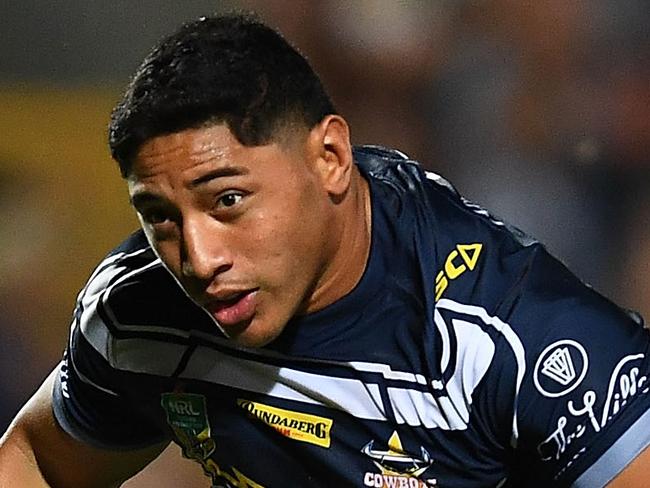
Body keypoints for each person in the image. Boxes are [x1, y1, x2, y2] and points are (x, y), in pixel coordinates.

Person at [0, 13, 649, 488]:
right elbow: (35, 461)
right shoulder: (136, 313)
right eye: (160, 216)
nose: (197, 258)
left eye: (227, 201)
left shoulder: (514, 336)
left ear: (330, 158)